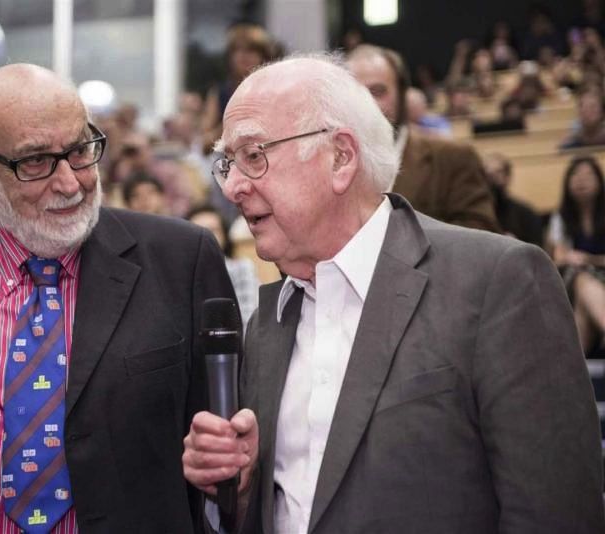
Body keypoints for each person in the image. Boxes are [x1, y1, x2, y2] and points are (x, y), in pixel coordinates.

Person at [182, 53, 605, 533]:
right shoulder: (266, 324)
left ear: (340, 157)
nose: (233, 186)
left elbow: (557, 515)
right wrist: (237, 490)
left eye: (254, 156)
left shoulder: (497, 284)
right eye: (227, 164)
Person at [0, 63, 236, 534]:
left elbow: (222, 458)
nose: (71, 183)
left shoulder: (181, 260)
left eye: (80, 150)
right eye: (36, 162)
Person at [346, 45, 499, 232]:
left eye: (378, 91)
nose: (366, 103)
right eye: (355, 93)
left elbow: (481, 240)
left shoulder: (453, 157)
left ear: (402, 95)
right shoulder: (328, 164)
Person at [547, 156, 605, 355]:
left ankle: (574, 368)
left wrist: (589, 259)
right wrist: (572, 259)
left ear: (599, 180)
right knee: (581, 280)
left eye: (588, 175)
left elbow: (582, 258)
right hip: (571, 281)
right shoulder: (561, 217)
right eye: (575, 175)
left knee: (583, 304)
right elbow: (559, 258)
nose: (581, 180)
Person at [482, 152, 545, 247]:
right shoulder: (477, 213)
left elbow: (537, 250)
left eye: (498, 172)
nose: (492, 177)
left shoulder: (526, 213)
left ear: (508, 177)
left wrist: (517, 244)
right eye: (487, 173)